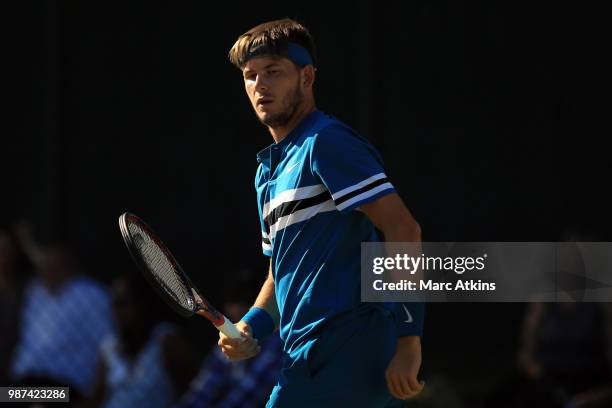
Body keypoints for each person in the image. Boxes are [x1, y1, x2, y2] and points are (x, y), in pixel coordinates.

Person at [218, 19, 425, 407]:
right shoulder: (268, 173)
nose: (260, 85)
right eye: (251, 75)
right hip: (303, 355)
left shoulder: (326, 143)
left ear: (307, 77)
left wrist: (409, 339)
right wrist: (253, 325)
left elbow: (404, 229)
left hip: (352, 347)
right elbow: (279, 273)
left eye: (274, 72)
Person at [86, 274, 196, 408]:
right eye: (114, 304)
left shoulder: (166, 340)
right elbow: (95, 398)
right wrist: (56, 394)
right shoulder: (109, 347)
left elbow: (190, 391)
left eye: (123, 303)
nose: (116, 311)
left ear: (142, 304)